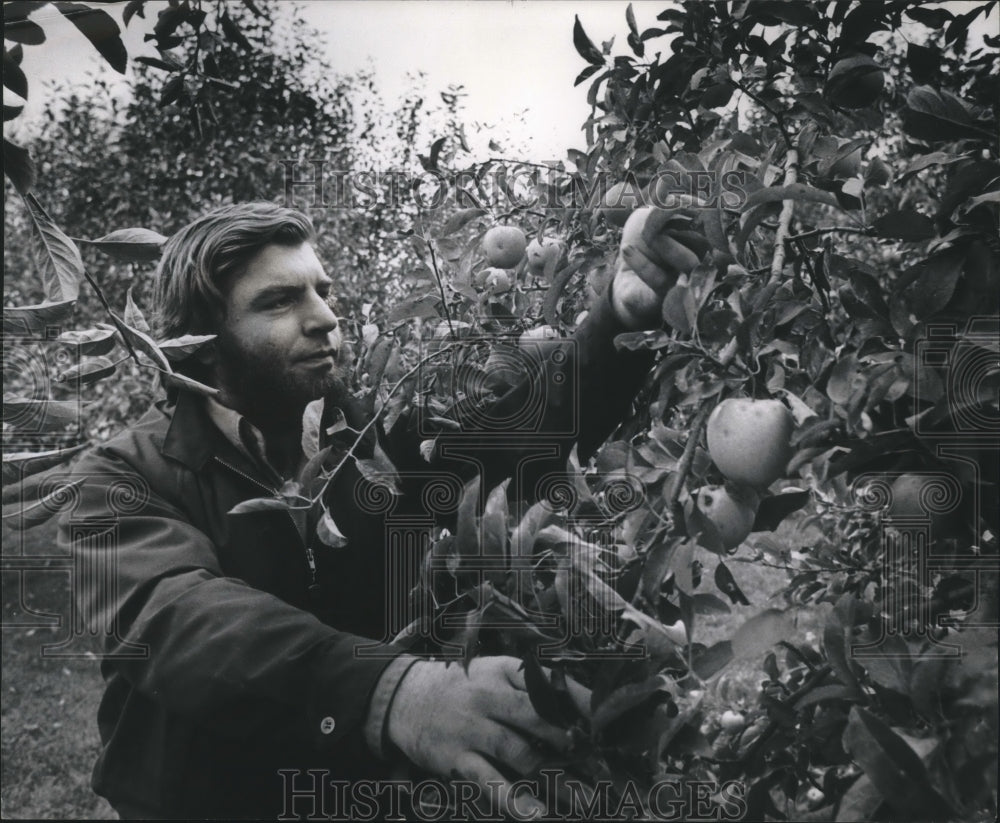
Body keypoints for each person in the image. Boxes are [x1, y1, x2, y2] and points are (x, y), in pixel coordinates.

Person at [59, 201, 693, 819]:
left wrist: (616, 319)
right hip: (203, 802)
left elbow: (522, 437)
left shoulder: (367, 438)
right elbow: (175, 614)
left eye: (322, 290)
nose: (326, 317)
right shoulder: (118, 478)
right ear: (198, 342)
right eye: (280, 301)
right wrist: (394, 692)